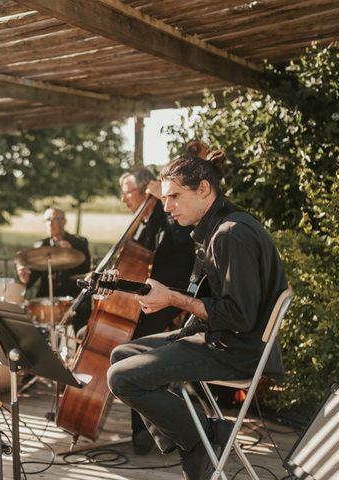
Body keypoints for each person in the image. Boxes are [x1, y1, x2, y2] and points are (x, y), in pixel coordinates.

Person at [107, 147, 287, 479]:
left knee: (122, 378)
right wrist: (162, 298)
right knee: (121, 354)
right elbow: (208, 297)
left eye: (174, 196)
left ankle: (200, 442)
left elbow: (239, 316)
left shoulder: (232, 234)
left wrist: (173, 299)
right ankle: (202, 434)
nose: (167, 206)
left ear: (203, 188)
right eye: (164, 198)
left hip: (237, 349)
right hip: (217, 337)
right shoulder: (215, 228)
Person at [118, 166, 195, 455]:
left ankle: (147, 429)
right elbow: (134, 258)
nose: (124, 199)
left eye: (127, 192)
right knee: (130, 348)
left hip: (173, 296)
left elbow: (183, 243)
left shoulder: (169, 213)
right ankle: (146, 427)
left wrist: (163, 202)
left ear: (145, 189)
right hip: (148, 298)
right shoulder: (144, 221)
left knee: (134, 349)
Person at [17, 207, 91, 333]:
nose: (50, 223)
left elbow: (86, 271)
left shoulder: (79, 243)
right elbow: (31, 278)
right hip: (46, 297)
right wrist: (25, 278)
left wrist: (71, 253)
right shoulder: (41, 246)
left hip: (72, 297)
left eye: (55, 219)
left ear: (64, 221)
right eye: (47, 220)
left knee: (83, 312)